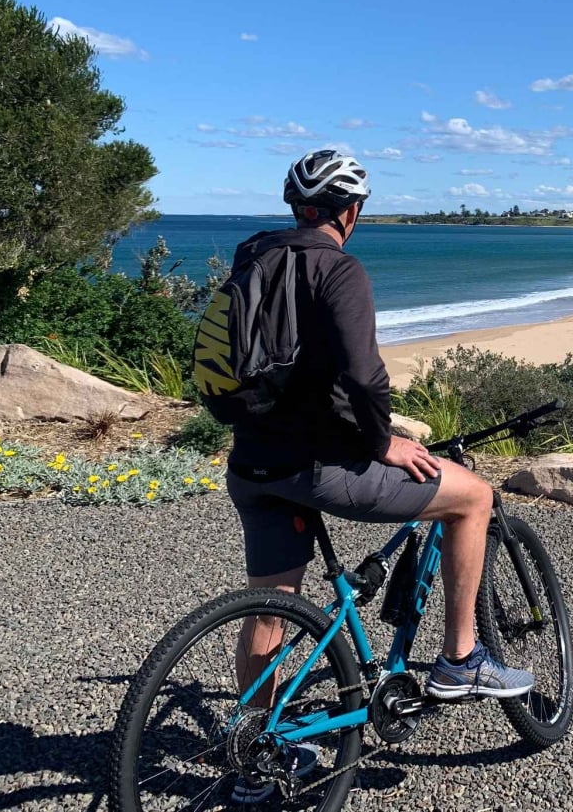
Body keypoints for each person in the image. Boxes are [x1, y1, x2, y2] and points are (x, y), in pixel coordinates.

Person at [223, 150, 532, 802]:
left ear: (297, 208)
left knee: (271, 608)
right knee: (474, 496)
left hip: (252, 462)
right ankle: (460, 661)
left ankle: (254, 753)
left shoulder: (254, 255)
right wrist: (382, 442)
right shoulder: (340, 269)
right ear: (352, 211)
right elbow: (364, 378)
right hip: (317, 467)